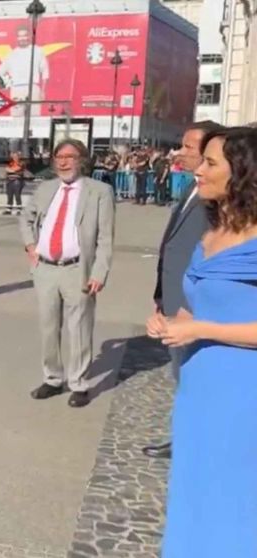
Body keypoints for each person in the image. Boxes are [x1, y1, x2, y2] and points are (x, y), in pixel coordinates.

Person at [149, 127, 257, 556]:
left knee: (235, 498)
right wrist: (174, 322)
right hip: (199, 389)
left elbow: (215, 323)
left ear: (243, 172)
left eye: (211, 163)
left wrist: (200, 330)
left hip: (243, 393)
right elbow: (203, 306)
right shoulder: (212, 230)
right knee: (195, 487)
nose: (199, 170)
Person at [142, 122, 223, 459]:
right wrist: (162, 296)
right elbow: (172, 246)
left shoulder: (218, 198)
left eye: (190, 147)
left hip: (194, 306)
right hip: (174, 297)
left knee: (196, 377)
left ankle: (195, 442)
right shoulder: (193, 187)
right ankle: (186, 437)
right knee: (183, 374)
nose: (181, 152)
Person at [20, 139, 115, 408]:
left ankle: (79, 383)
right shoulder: (46, 188)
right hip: (46, 269)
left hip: (78, 269)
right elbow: (26, 218)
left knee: (79, 328)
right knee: (48, 327)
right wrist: (30, 246)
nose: (63, 162)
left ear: (81, 160)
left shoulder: (99, 192)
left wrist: (99, 272)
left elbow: (105, 237)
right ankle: (52, 379)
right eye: (59, 157)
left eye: (69, 157)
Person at [0, 25, 50, 117]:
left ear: (29, 36)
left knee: (34, 118)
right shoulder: (12, 54)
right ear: (17, 38)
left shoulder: (37, 51)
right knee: (16, 118)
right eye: (20, 36)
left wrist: (43, 91)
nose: (22, 38)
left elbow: (45, 70)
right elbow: (0, 71)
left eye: (24, 35)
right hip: (16, 90)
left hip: (33, 88)